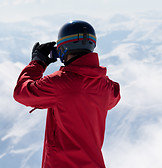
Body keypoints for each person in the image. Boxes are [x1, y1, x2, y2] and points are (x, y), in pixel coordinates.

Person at [13, 20, 121, 168]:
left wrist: (37, 63)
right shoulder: (105, 86)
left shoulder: (59, 83)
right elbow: (114, 95)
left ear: (63, 50)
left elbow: (22, 93)